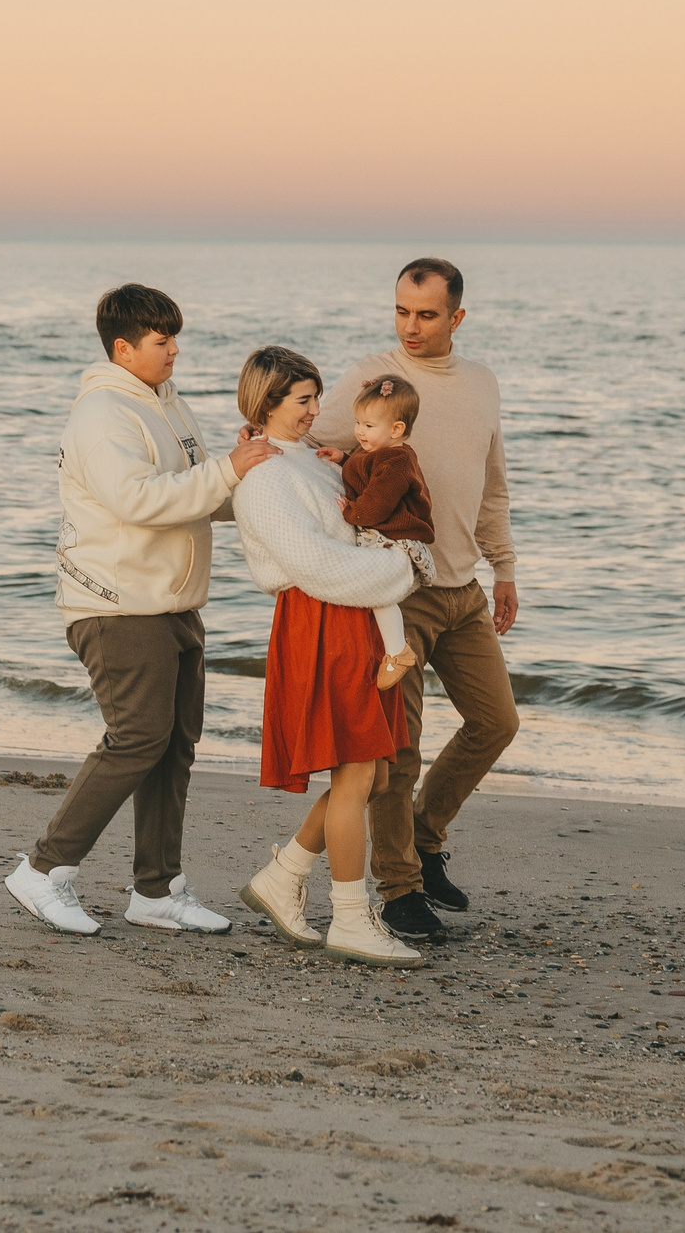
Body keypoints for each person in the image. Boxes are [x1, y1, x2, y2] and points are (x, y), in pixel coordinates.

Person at [5, 283, 275, 937]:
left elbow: (199, 492)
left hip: (172, 601)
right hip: (117, 603)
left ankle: (156, 889)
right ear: (124, 348)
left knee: (175, 745)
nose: (175, 350)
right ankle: (43, 870)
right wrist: (229, 469)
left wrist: (265, 469)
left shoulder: (165, 404)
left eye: (175, 337)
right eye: (162, 340)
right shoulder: (102, 412)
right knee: (137, 739)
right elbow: (139, 501)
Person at [311, 257, 521, 943]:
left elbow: (490, 486)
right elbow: (308, 442)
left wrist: (506, 571)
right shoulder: (371, 379)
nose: (411, 325)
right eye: (402, 310)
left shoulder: (482, 384)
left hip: (462, 590)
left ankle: (427, 841)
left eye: (427, 314)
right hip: (399, 593)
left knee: (497, 721)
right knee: (396, 750)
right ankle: (398, 890)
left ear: (457, 317)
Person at [226, 346, 429, 968]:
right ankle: (348, 916)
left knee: (364, 773)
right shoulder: (264, 474)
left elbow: (354, 519)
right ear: (267, 403)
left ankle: (283, 878)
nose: (317, 412)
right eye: (303, 401)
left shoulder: (305, 459)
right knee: (357, 772)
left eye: (316, 398)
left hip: (351, 615)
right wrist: (399, 571)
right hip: (321, 621)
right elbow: (312, 564)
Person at [337, 373, 436, 689]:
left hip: (398, 538)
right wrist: (341, 458)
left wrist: (351, 513)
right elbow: (364, 471)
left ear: (396, 430)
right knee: (372, 590)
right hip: (386, 536)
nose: (359, 431)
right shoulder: (378, 453)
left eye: (368, 426)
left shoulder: (397, 461)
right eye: (358, 423)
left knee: (379, 591)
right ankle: (390, 648)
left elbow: (378, 503)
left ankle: (397, 651)